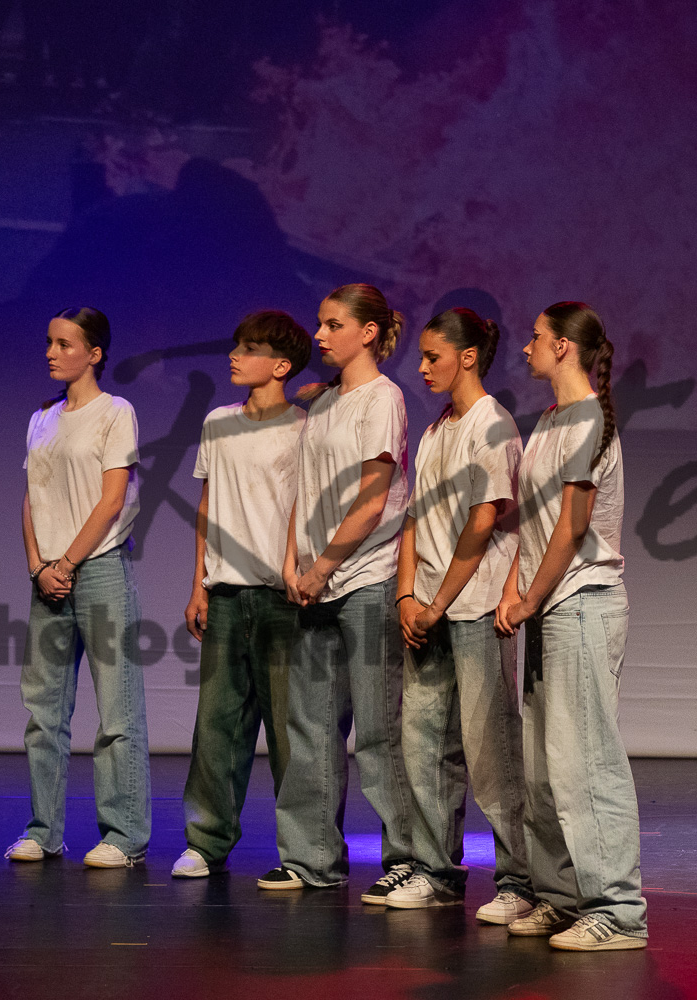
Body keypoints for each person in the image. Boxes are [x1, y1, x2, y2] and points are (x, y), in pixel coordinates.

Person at [494, 301, 647, 950]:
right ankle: (560, 897)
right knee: (542, 767)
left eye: (536, 338)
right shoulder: (551, 420)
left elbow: (573, 526)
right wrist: (514, 586)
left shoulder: (588, 419)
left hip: (581, 602)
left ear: (563, 346)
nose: (527, 347)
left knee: (586, 762)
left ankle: (618, 910)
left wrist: (531, 597)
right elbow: (533, 520)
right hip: (549, 604)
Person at [260, 283, 416, 899]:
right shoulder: (323, 402)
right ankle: (311, 858)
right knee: (311, 725)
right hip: (315, 582)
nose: (318, 335)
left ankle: (407, 858)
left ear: (368, 332)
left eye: (332, 325)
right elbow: (306, 491)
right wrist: (294, 563)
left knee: (378, 729)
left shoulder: (383, 399)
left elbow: (373, 500)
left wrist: (323, 565)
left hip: (366, 578)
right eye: (319, 324)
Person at [385, 308, 535, 922]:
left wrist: (438, 603)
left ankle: (519, 880)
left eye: (433, 357)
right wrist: (406, 596)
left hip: (472, 608)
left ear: (467, 357)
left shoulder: (491, 425)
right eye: (421, 357)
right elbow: (414, 518)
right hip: (426, 609)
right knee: (422, 744)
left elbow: (484, 521)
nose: (422, 368)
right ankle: (435, 870)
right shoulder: (435, 430)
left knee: (490, 748)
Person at [6, 306, 152, 868]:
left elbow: (112, 499)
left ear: (94, 354)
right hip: (47, 574)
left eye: (64, 344)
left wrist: (67, 563)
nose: (51, 352)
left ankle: (124, 836)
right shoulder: (41, 417)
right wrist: (38, 566)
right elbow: (32, 498)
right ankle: (43, 831)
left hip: (99, 569)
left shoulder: (115, 412)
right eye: (49, 341)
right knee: (43, 711)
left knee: (117, 710)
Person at [172, 311, 311, 879]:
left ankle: (301, 851)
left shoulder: (304, 428)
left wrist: (296, 573)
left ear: (280, 366)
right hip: (226, 592)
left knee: (289, 731)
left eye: (250, 348)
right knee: (217, 726)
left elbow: (305, 508)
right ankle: (205, 841)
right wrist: (198, 583)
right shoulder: (218, 422)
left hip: (281, 597)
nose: (235, 355)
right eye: (237, 345)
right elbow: (208, 507)